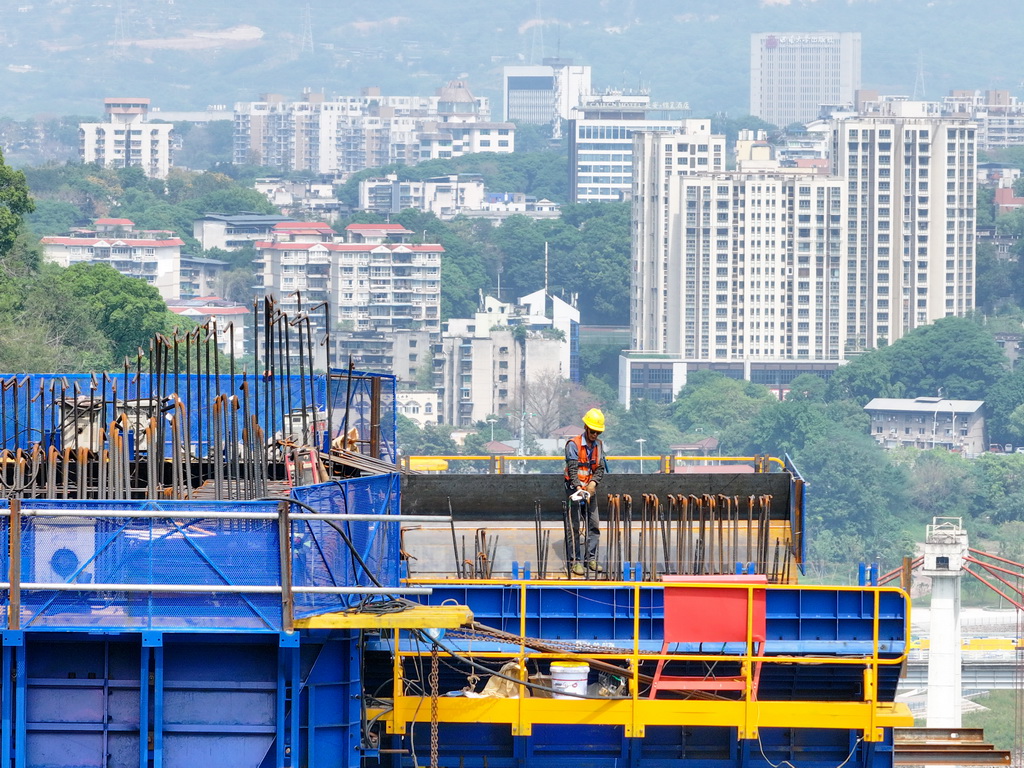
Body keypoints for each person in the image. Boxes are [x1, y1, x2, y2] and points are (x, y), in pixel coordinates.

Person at [564, 408, 608, 576]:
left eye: (598, 432)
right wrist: (578, 488)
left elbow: (600, 468)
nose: (595, 434)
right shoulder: (573, 444)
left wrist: (593, 483)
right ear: (585, 427)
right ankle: (575, 561)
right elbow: (572, 470)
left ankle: (591, 559)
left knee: (594, 525)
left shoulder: (599, 445)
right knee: (574, 526)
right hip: (574, 490)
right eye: (592, 431)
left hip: (590, 490)